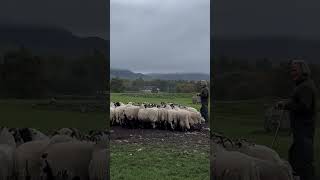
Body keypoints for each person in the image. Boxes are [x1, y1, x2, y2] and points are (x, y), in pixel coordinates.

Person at [277, 59, 317, 180]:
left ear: (303, 70)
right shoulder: (302, 85)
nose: (292, 73)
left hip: (304, 129)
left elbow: (304, 106)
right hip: (301, 130)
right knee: (295, 157)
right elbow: (299, 102)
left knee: (303, 161)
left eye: (294, 70)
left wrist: (286, 105)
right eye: (291, 70)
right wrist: (287, 103)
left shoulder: (305, 87)